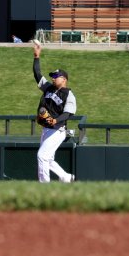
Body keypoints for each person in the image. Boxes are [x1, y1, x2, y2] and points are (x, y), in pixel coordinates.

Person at [33, 41, 76, 183]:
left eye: (56, 76)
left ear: (64, 79)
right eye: (52, 76)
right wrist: (36, 56)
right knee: (48, 159)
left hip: (58, 130)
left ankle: (44, 185)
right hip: (46, 129)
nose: (53, 77)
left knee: (42, 156)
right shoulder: (48, 88)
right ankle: (66, 177)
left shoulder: (68, 94)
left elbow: (68, 113)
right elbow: (38, 74)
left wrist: (55, 120)